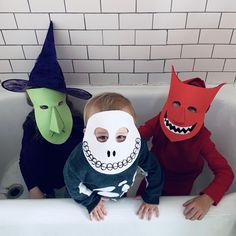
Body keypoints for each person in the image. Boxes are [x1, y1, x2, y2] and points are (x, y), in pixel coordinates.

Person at [1, 21, 92, 198]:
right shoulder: (30, 126)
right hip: (44, 180)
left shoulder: (77, 123)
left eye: (58, 104)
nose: (55, 126)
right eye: (43, 106)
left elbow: (87, 155)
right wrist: (34, 188)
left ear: (64, 100)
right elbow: (25, 161)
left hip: (71, 178)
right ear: (32, 104)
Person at [137, 66, 234, 221]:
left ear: (202, 111)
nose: (180, 117)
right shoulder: (161, 118)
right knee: (138, 211)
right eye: (176, 104)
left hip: (180, 183)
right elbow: (139, 136)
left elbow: (226, 173)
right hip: (153, 175)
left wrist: (207, 199)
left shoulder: (202, 138)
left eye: (191, 109)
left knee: (171, 217)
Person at [63, 92, 163, 221]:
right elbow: (71, 181)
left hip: (119, 194)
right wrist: (89, 201)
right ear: (86, 133)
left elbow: (153, 169)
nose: (112, 149)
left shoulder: (137, 148)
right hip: (87, 195)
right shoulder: (79, 159)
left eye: (120, 136)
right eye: (102, 137)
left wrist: (151, 196)